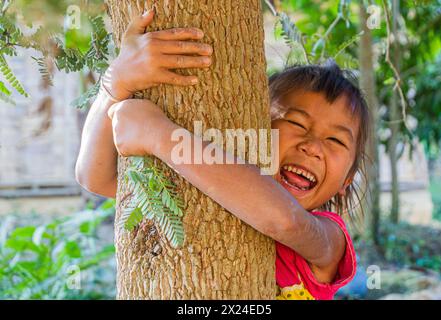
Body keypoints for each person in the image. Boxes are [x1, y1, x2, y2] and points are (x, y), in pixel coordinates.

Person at [76, 10, 371, 300]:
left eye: (335, 140)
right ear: (255, 128)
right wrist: (115, 85)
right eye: (295, 122)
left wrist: (160, 136)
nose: (313, 146)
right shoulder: (199, 185)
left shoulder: (329, 239)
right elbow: (95, 177)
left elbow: (285, 221)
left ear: (348, 180)